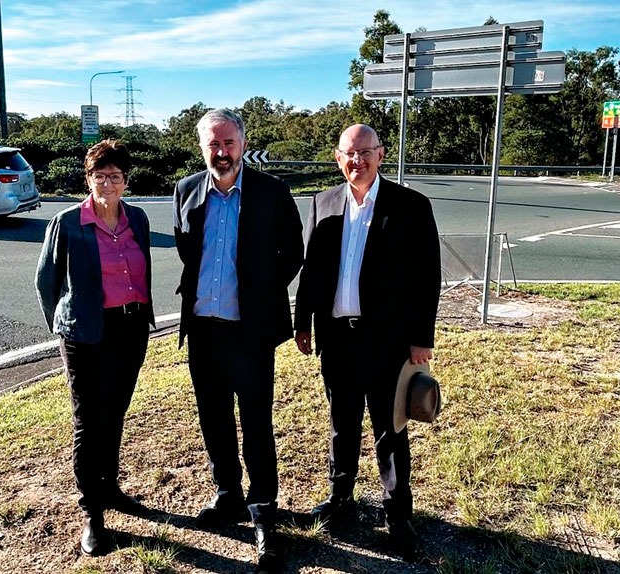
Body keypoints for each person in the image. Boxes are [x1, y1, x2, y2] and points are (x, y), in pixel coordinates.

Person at [293, 124, 441, 561]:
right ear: (338, 159)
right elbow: (312, 270)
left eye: (365, 152)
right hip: (337, 338)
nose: (357, 161)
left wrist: (420, 339)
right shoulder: (323, 202)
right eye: (348, 154)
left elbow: (427, 277)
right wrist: (303, 322)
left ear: (380, 155)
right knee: (342, 424)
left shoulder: (411, 206)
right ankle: (340, 500)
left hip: (389, 343)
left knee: (389, 431)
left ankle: (398, 517)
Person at [173, 108, 303, 570]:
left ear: (243, 145)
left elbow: (294, 252)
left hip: (249, 332)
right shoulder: (187, 190)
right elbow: (188, 250)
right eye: (213, 144)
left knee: (256, 422)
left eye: (228, 143)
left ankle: (263, 509)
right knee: (213, 418)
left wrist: (259, 293)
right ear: (202, 147)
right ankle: (227, 492)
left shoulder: (271, 192)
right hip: (203, 330)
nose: (221, 152)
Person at [35, 140, 154, 556]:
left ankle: (111, 488)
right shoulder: (68, 222)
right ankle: (92, 514)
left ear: (126, 180)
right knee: (89, 419)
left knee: (116, 411)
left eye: (115, 176)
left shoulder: (136, 218)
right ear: (88, 179)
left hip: (131, 328)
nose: (107, 182)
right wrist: (64, 325)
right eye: (99, 176)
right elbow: (46, 282)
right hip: (85, 335)